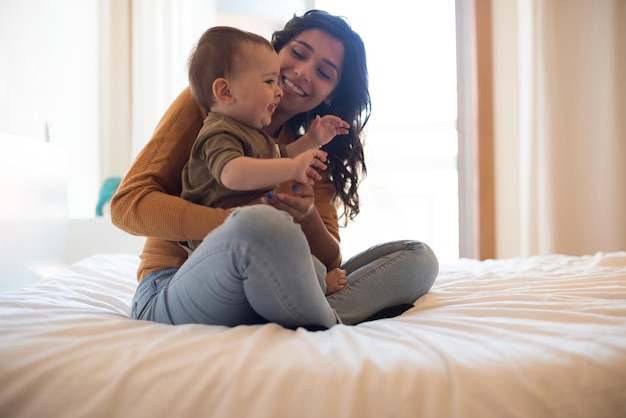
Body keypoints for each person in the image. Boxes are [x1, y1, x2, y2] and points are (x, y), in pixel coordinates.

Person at [111, 10, 439, 330]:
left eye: (324, 73)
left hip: (272, 283)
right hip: (173, 283)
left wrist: (307, 215)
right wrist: (242, 225)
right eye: (298, 53)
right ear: (274, 51)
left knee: (417, 257)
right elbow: (128, 205)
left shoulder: (305, 153)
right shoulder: (213, 105)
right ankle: (325, 319)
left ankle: (308, 313)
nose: (303, 72)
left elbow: (330, 262)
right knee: (263, 225)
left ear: (330, 96)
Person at [181, 26, 349, 295]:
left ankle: (313, 291)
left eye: (324, 72)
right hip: (216, 254)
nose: (279, 90)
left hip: (246, 246)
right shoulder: (219, 129)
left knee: (416, 257)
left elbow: (282, 153)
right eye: (269, 82)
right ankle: (318, 299)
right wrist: (293, 169)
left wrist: (313, 140)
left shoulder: (251, 132)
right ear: (225, 91)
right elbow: (232, 173)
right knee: (277, 239)